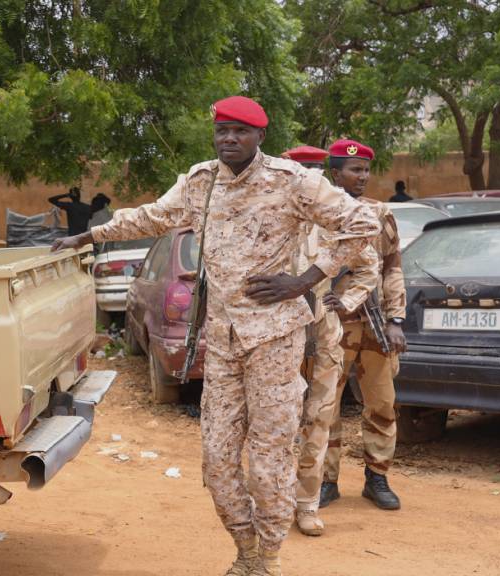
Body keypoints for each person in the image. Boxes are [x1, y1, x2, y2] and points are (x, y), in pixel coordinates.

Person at [52, 96, 380, 576]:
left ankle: (266, 560)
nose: (229, 139)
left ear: (259, 137)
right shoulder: (201, 182)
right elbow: (152, 217)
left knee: (268, 465)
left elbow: (362, 222)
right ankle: (245, 551)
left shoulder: (293, 182)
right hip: (222, 340)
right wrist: (88, 236)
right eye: (223, 131)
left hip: (274, 338)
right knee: (218, 464)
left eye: (240, 132)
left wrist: (306, 279)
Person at [284, 146, 381, 537]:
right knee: (274, 422)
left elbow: (368, 267)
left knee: (319, 418)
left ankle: (306, 505)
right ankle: (272, 500)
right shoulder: (274, 216)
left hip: (324, 333)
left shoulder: (337, 218)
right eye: (301, 172)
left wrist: (346, 301)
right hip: (278, 334)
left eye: (313, 173)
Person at [319, 139, 408, 512]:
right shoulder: (317, 212)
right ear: (335, 173)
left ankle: (377, 477)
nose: (363, 177)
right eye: (355, 170)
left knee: (382, 404)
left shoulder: (380, 213)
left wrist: (396, 320)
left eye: (366, 170)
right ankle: (325, 480)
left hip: (373, 327)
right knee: (324, 407)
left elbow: (392, 269)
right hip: (330, 327)